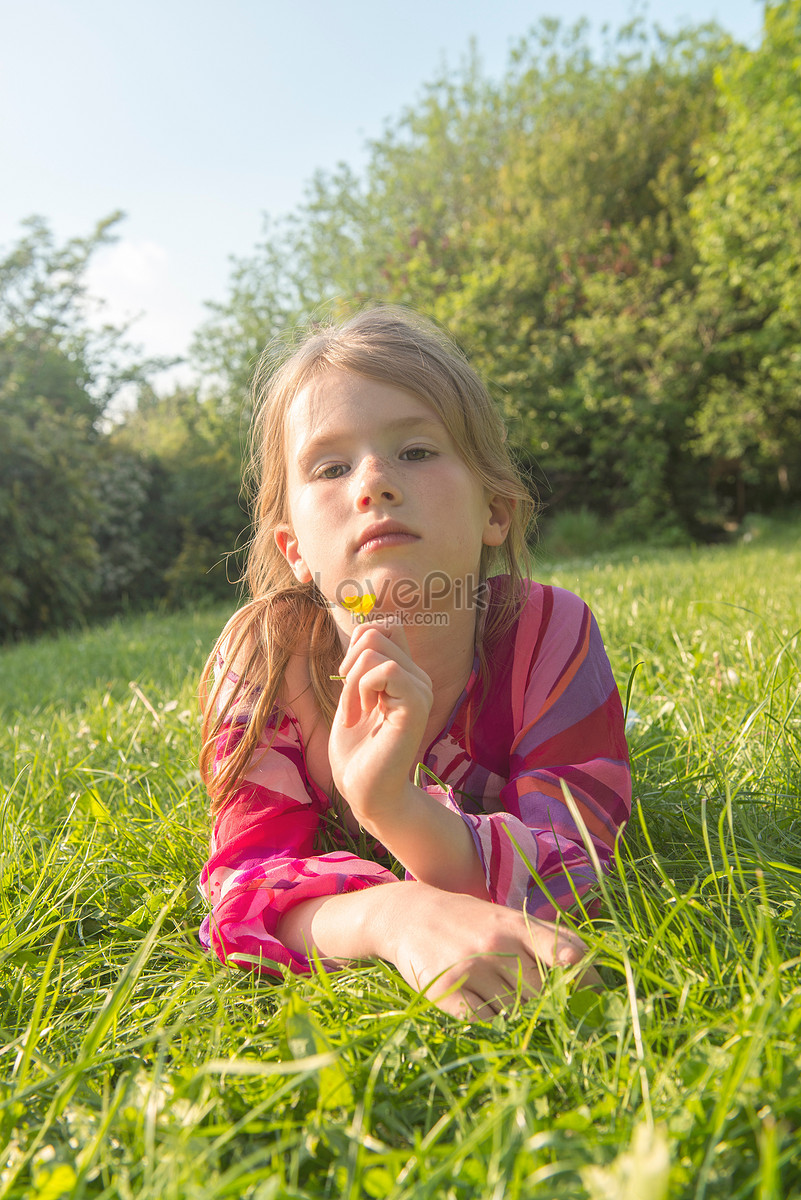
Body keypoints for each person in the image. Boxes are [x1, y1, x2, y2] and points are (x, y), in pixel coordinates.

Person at [198, 306, 631, 1020]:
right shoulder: (266, 663)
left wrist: (392, 809)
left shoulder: (546, 632)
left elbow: (579, 859)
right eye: (331, 467)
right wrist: (395, 918)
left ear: (494, 509)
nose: (372, 482)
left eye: (416, 452)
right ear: (294, 550)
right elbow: (243, 887)